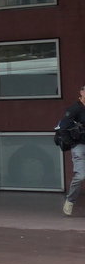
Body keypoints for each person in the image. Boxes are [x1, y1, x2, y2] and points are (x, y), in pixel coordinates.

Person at [54, 85, 85, 216]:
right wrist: (72, 143)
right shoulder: (75, 109)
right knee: (81, 175)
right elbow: (62, 127)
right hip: (79, 146)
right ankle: (70, 200)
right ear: (82, 92)